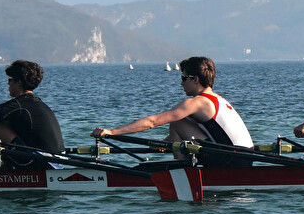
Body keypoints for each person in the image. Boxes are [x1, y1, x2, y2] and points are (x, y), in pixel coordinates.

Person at [91, 56, 252, 164]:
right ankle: (178, 159)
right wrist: (164, 143)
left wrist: (112, 132)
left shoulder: (197, 103)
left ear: (195, 79)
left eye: (183, 78)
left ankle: (182, 172)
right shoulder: (219, 99)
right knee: (181, 124)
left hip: (233, 160)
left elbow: (152, 122)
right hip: (245, 157)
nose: (181, 83)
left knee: (177, 122)